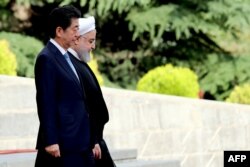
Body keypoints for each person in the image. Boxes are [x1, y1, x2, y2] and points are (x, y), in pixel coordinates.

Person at [34, 5, 95, 167]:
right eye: (75, 29)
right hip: (64, 144)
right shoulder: (46, 58)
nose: (78, 34)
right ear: (59, 31)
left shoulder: (67, 57)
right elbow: (46, 101)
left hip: (81, 141)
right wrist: (51, 140)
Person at [67, 16, 116, 167]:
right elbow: (79, 108)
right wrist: (92, 140)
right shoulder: (70, 65)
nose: (93, 46)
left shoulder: (78, 62)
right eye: (90, 41)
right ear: (76, 39)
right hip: (89, 143)